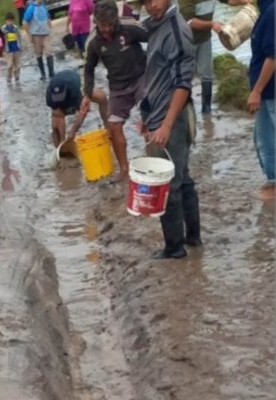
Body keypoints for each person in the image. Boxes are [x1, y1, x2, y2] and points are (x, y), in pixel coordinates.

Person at [137, 0, 200, 259]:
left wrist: (165, 125)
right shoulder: (157, 26)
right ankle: (193, 238)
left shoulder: (176, 29)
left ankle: (174, 248)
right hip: (159, 114)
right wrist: (147, 113)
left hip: (171, 119)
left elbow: (183, 84)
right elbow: (157, 76)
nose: (151, 6)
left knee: (167, 184)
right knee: (182, 179)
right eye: (145, 2)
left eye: (155, 0)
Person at [83, 0, 148, 182]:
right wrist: (87, 94)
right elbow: (89, 68)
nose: (106, 29)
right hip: (118, 86)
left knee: (148, 112)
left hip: (141, 76)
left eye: (110, 25)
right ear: (96, 21)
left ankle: (154, 159)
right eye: (102, 25)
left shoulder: (130, 26)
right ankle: (124, 169)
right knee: (114, 125)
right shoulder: (93, 42)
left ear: (116, 20)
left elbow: (154, 35)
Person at [179, 0, 251, 114]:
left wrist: (245, 2)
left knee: (207, 75)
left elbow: (229, 1)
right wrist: (211, 24)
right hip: (186, 41)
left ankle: (206, 112)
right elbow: (190, 21)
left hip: (204, 39)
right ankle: (184, 111)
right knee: (185, 78)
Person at [247, 0, 275, 200]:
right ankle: (273, 180)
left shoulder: (272, 12)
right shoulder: (265, 9)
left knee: (268, 139)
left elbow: (273, 57)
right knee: (262, 139)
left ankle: (274, 184)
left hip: (270, 91)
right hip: (267, 91)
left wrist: (256, 91)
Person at [46, 70, 109, 148]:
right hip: (62, 98)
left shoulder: (74, 89)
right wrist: (62, 142)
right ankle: (59, 151)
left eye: (60, 96)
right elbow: (57, 119)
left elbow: (83, 111)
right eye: (57, 97)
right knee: (56, 124)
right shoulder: (50, 97)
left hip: (75, 86)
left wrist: (73, 131)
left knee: (101, 97)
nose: (59, 99)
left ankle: (109, 128)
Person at [23, 0, 55, 81]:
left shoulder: (44, 6)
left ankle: (51, 73)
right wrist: (29, 35)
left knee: (49, 52)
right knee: (39, 54)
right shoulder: (31, 8)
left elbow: (48, 18)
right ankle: (43, 74)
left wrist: (50, 29)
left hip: (46, 34)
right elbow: (25, 22)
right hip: (36, 35)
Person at [2, 12, 22, 83]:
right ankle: (9, 78)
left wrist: (20, 47)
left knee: (18, 64)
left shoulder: (15, 28)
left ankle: (17, 77)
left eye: (11, 21)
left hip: (16, 48)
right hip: (8, 49)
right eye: (8, 21)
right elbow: (2, 40)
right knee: (10, 65)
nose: (10, 22)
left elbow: (19, 37)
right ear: (6, 21)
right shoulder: (4, 29)